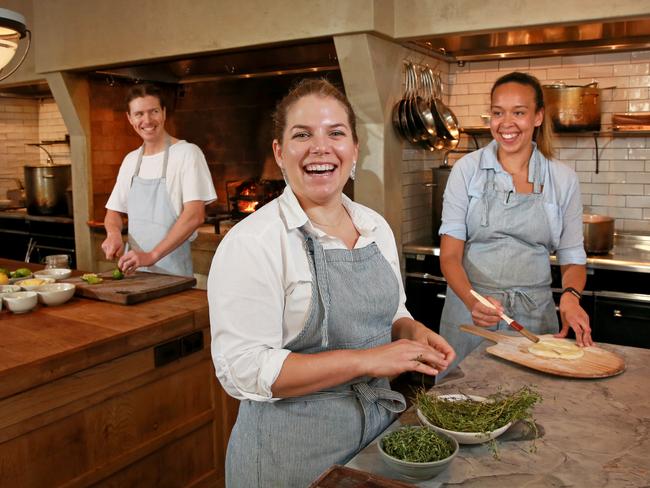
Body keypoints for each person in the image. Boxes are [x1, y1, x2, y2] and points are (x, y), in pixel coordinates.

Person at [208, 78, 455, 487]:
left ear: (354, 150)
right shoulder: (254, 243)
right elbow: (244, 370)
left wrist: (409, 329)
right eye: (302, 134)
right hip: (288, 457)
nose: (320, 147)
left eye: (335, 133)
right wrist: (367, 361)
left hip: (375, 439)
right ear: (280, 153)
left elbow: (391, 310)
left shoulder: (374, 226)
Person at [438, 71, 593, 377]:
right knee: (461, 402)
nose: (506, 123)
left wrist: (571, 297)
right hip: (472, 313)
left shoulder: (562, 178)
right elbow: (450, 256)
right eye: (498, 113)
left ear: (538, 116)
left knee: (531, 406)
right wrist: (472, 301)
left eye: (518, 112)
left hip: (533, 315)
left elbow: (572, 256)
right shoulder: (466, 170)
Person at [102, 83, 217, 277]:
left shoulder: (187, 153)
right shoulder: (131, 161)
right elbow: (113, 213)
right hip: (135, 272)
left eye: (153, 111)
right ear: (129, 118)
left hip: (174, 274)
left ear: (163, 113)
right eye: (139, 114)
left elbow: (195, 215)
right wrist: (113, 234)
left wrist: (152, 255)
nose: (147, 120)